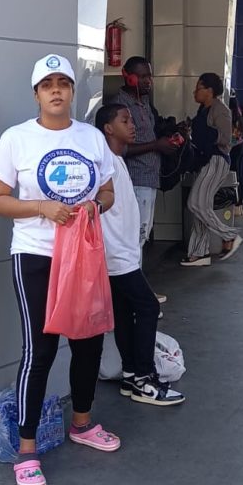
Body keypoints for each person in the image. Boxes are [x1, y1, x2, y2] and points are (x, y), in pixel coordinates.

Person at [0, 53, 120, 485]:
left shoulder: (91, 138)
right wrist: (41, 207)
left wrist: (95, 207)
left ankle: (81, 422)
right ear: (37, 94)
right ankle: (28, 451)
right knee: (40, 349)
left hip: (82, 253)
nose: (57, 90)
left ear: (72, 91)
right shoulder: (16, 140)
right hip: (36, 255)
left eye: (63, 82)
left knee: (88, 340)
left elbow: (108, 189)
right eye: (48, 85)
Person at [95, 102, 184, 406]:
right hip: (116, 256)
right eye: (125, 120)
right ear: (108, 128)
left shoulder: (115, 161)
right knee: (148, 308)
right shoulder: (105, 162)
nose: (132, 125)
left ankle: (132, 376)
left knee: (123, 313)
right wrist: (118, 251)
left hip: (122, 254)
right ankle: (145, 379)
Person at [108, 56, 172, 304]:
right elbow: (120, 148)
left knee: (141, 236)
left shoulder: (144, 103)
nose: (148, 81)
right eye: (142, 76)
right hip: (134, 179)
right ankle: (134, 293)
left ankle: (138, 288)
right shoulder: (119, 106)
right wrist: (156, 145)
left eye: (150, 76)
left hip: (149, 178)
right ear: (127, 75)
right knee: (134, 236)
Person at [182, 73, 242, 266]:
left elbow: (226, 138)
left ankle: (230, 235)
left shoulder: (221, 110)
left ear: (209, 91)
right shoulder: (203, 110)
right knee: (202, 206)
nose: (195, 91)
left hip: (216, 160)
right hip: (206, 160)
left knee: (195, 204)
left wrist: (202, 134)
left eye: (198, 87)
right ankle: (199, 253)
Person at [227, 94, 243, 217]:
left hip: (233, 148)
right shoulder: (238, 116)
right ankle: (239, 204)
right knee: (238, 176)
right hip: (240, 146)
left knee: (232, 176)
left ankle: (235, 204)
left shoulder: (228, 116)